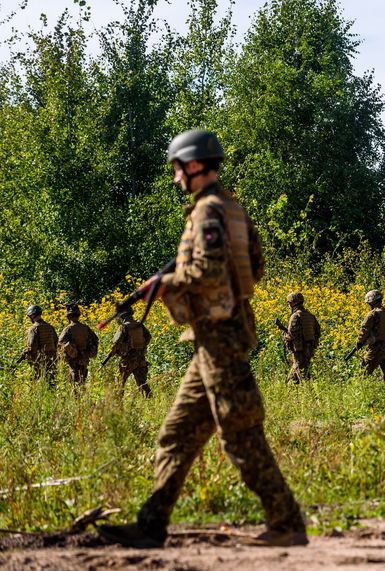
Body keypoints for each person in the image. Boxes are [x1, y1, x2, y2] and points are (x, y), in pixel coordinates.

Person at [97, 129, 306, 548]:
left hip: (220, 338)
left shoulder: (209, 211)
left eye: (177, 168)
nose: (175, 178)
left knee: (240, 432)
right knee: (176, 435)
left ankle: (285, 522)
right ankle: (151, 526)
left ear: (194, 166)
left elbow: (208, 271)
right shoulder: (231, 208)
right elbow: (256, 266)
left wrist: (165, 283)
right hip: (214, 339)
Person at [275, 292, 321, 383]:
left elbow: (292, 335)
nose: (288, 305)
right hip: (309, 349)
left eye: (289, 303)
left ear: (293, 303)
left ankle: (312, 396)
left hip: (300, 351)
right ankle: (290, 396)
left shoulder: (295, 316)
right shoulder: (310, 315)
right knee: (292, 379)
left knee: (304, 378)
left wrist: (284, 334)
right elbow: (317, 331)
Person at [107, 308, 153, 397]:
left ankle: (118, 405)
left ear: (122, 316)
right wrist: (141, 348)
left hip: (128, 360)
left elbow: (116, 343)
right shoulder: (140, 325)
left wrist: (111, 353)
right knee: (142, 383)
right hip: (140, 359)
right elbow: (148, 337)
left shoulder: (123, 327)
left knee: (120, 382)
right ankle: (150, 400)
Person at [356, 290, 385, 384]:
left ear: (371, 302)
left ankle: (360, 393)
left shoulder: (372, 314)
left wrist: (359, 342)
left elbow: (365, 330)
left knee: (363, 373)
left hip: (376, 349)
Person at [58, 303, 99, 388]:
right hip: (84, 360)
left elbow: (60, 343)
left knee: (74, 385)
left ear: (68, 316)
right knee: (82, 382)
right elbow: (95, 339)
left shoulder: (68, 329)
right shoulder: (85, 328)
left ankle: (76, 400)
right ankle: (82, 400)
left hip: (74, 361)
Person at [19, 305, 58, 379]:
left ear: (32, 316)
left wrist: (24, 354)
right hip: (51, 360)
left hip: (39, 361)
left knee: (38, 380)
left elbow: (32, 347)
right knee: (51, 382)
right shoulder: (50, 327)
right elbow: (56, 342)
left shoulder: (33, 329)